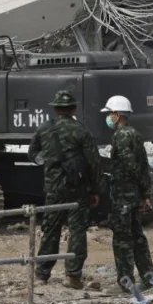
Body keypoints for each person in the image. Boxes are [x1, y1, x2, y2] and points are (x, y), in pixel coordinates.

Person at [28, 89, 102, 289]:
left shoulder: (44, 129)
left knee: (50, 230)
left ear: (56, 109)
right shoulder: (81, 130)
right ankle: (72, 275)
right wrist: (95, 190)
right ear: (73, 109)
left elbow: (32, 152)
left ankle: (42, 275)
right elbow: (94, 163)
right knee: (77, 230)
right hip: (77, 189)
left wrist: (47, 162)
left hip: (53, 188)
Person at [101, 95, 153, 294]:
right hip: (133, 195)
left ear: (117, 115)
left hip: (123, 196)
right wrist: (145, 192)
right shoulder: (135, 134)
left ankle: (126, 281)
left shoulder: (121, 136)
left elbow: (131, 165)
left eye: (110, 113)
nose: (108, 117)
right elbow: (144, 165)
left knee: (122, 239)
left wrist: (140, 188)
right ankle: (148, 276)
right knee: (138, 236)